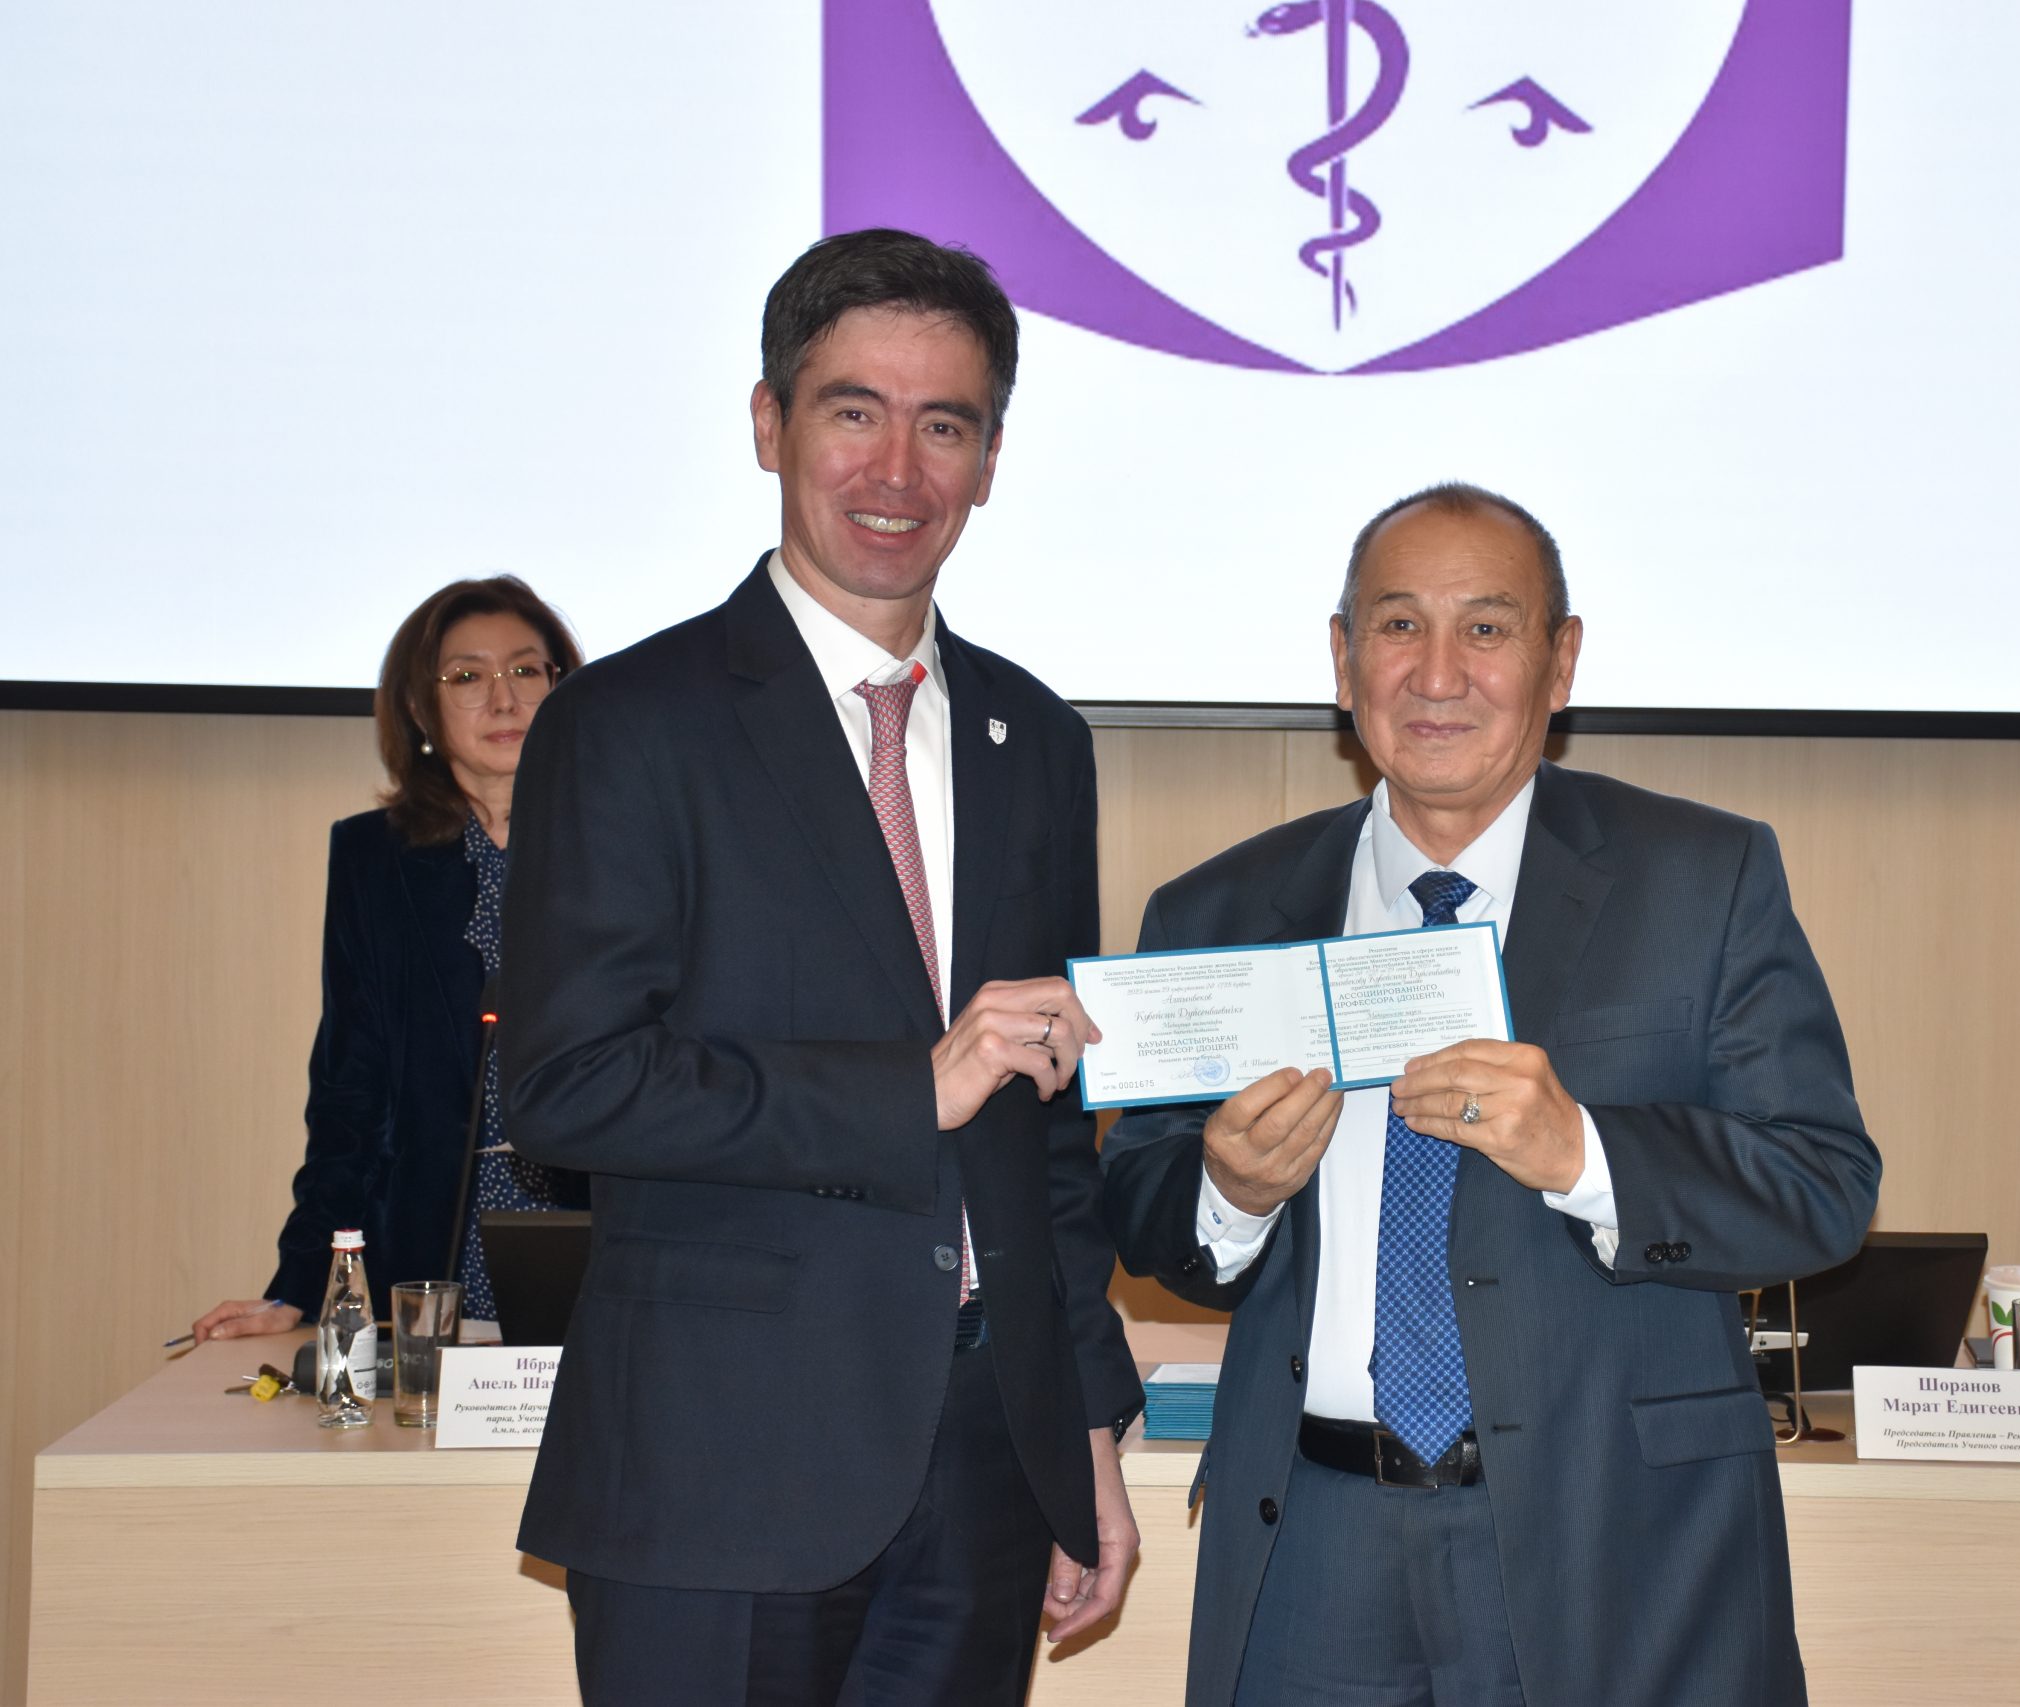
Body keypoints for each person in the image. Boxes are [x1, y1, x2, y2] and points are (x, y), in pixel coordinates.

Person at [1101, 484, 1882, 1707]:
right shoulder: (1218, 910)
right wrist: (1227, 1194)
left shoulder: (1703, 877)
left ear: (1559, 663)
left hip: (1617, 1541)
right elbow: (1138, 1205)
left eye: (1485, 628)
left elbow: (1822, 1186)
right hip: (1311, 1539)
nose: (1436, 674)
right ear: (1342, 660)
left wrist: (1586, 1154)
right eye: (1397, 626)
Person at [499, 228, 1145, 1705]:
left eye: (945, 426)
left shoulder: (1037, 740)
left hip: (987, 1463)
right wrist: (910, 1089)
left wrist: (1086, 1426)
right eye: (854, 411)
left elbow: (1048, 1135)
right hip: (717, 1464)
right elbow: (568, 1085)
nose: (896, 470)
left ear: (991, 460)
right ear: (768, 424)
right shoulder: (626, 721)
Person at [192, 577, 588, 1346]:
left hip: (599, 1242)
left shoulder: (626, 842)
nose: (503, 699)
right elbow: (353, 1090)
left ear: (563, 687)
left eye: (526, 669)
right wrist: (300, 1282)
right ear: (420, 707)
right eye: (467, 676)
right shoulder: (375, 859)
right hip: (431, 1254)